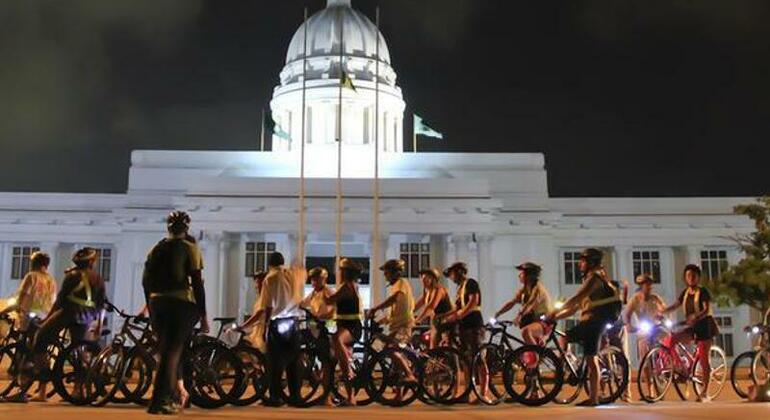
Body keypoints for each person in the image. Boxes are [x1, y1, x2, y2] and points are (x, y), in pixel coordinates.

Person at [12, 248, 106, 403]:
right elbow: (101, 304)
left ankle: (43, 378)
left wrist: (47, 320)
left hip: (68, 312)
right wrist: (99, 326)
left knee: (40, 337)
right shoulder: (99, 279)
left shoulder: (72, 275)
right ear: (91, 262)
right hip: (87, 316)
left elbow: (60, 301)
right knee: (78, 350)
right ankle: (78, 390)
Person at [142, 211, 209, 415]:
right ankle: (160, 400)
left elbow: (145, 282)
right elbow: (197, 283)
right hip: (180, 304)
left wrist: (151, 307)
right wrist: (203, 313)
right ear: (186, 228)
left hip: (157, 302)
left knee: (166, 352)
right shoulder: (190, 248)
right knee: (173, 352)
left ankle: (168, 397)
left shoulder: (156, 249)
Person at [546, 248, 622, 407]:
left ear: (591, 262)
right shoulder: (590, 279)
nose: (580, 264)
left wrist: (554, 311)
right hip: (588, 322)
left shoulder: (595, 279)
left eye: (583, 261)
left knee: (591, 357)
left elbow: (575, 298)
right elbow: (575, 309)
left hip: (595, 323)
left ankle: (594, 398)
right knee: (566, 337)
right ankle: (566, 366)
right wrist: (554, 317)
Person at [242, 252, 302, 407]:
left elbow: (268, 305)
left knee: (274, 361)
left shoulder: (270, 278)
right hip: (293, 321)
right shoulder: (291, 275)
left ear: (270, 264)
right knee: (293, 361)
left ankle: (275, 397)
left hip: (278, 322)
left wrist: (267, 325)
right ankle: (295, 396)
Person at [663, 264, 719, 402]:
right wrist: (661, 312)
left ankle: (705, 392)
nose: (691, 278)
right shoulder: (685, 293)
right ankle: (680, 367)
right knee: (672, 339)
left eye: (694, 275)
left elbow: (706, 309)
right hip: (692, 326)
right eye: (688, 276)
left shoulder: (703, 292)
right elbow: (675, 306)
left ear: (698, 277)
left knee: (704, 358)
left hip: (705, 326)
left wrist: (696, 317)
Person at [440, 261, 487, 401]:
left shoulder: (470, 283)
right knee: (465, 360)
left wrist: (459, 315)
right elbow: (457, 307)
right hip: (463, 326)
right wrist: (444, 316)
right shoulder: (460, 288)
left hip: (474, 324)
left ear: (460, 271)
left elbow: (473, 301)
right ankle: (466, 393)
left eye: (452, 274)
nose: (451, 277)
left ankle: (483, 393)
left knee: (478, 358)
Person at [368, 259, 418, 384]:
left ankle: (409, 374)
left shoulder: (401, 283)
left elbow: (394, 299)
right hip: (396, 326)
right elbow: (394, 310)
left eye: (387, 272)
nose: (385, 275)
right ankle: (399, 391)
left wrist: (376, 308)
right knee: (383, 347)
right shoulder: (395, 287)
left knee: (392, 350)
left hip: (404, 326)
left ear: (395, 273)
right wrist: (381, 321)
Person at [323, 258, 364, 406]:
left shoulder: (347, 287)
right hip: (345, 325)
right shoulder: (350, 286)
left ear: (347, 273)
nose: (339, 272)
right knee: (332, 359)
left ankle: (347, 368)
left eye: (342, 270)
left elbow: (330, 300)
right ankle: (342, 396)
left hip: (351, 327)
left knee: (336, 340)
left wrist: (322, 288)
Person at [624, 273, 666, 399]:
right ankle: (650, 390)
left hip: (657, 328)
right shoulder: (636, 299)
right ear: (641, 286)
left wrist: (661, 315)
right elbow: (627, 313)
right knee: (645, 361)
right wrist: (628, 325)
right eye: (646, 284)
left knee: (663, 346)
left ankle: (663, 368)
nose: (648, 287)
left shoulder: (655, 298)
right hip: (644, 330)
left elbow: (664, 309)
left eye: (650, 284)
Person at [494, 262, 552, 345]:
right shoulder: (524, 290)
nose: (519, 275)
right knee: (526, 345)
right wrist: (498, 313)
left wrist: (520, 316)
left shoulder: (538, 289)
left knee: (526, 332)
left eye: (522, 273)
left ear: (528, 276)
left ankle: (538, 356)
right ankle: (536, 355)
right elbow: (512, 302)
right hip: (534, 321)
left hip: (544, 322)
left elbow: (530, 304)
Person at [414, 268, 453, 348]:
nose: (423, 281)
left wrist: (418, 320)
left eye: (426, 278)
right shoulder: (427, 291)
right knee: (433, 348)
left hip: (446, 321)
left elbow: (431, 307)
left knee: (446, 347)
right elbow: (418, 304)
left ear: (433, 279)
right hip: (437, 322)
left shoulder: (439, 290)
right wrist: (407, 313)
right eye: (422, 278)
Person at [244, 271, 268, 354]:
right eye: (256, 283)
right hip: (256, 331)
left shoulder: (266, 298)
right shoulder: (259, 298)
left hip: (263, 333)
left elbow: (258, 314)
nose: (257, 286)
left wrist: (244, 326)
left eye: (260, 282)